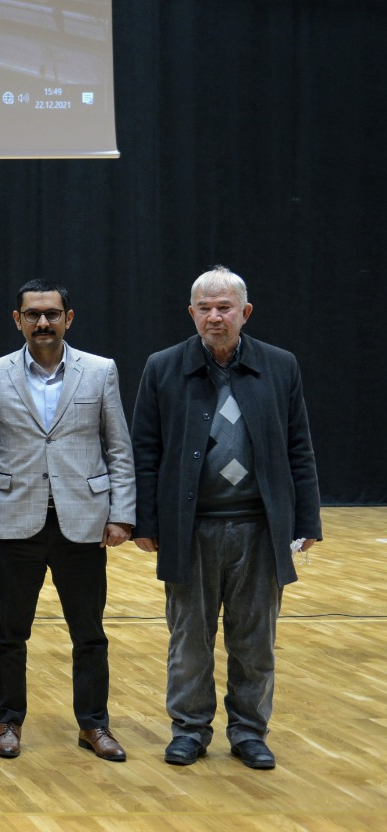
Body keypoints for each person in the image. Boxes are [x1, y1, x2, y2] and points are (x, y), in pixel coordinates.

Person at [132, 266, 320, 770]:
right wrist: (145, 522)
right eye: (206, 308)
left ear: (245, 313)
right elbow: (144, 450)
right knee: (189, 640)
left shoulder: (281, 367)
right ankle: (190, 730)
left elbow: (298, 446)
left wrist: (307, 521)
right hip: (189, 528)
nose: (215, 317)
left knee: (254, 641)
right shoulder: (163, 367)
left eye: (225, 307)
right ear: (191, 313)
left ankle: (249, 732)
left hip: (259, 529)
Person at [0, 278, 135, 762]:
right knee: (9, 634)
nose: (42, 322)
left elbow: (118, 448)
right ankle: (9, 722)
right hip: (14, 521)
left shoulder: (101, 371)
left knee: (89, 634)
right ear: (17, 320)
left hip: (82, 523)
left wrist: (122, 514)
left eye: (51, 313)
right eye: (32, 314)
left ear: (69, 317)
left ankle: (94, 725)